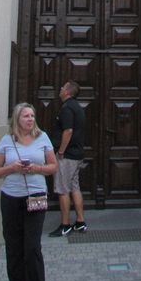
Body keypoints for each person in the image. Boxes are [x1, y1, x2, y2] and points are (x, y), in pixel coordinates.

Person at [0, 102, 58, 281]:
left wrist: (36, 168)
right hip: (11, 197)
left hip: (36, 196)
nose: (30, 119)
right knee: (13, 247)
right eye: (25, 116)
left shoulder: (43, 138)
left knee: (32, 247)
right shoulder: (6, 141)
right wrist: (12, 167)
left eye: (32, 116)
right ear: (17, 119)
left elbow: (53, 166)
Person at [49, 80, 87, 237]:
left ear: (68, 92)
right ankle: (80, 221)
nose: (60, 88)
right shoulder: (78, 107)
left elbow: (68, 131)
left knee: (62, 189)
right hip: (77, 154)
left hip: (68, 155)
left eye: (63, 87)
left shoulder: (66, 108)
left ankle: (65, 225)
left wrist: (61, 151)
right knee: (74, 187)